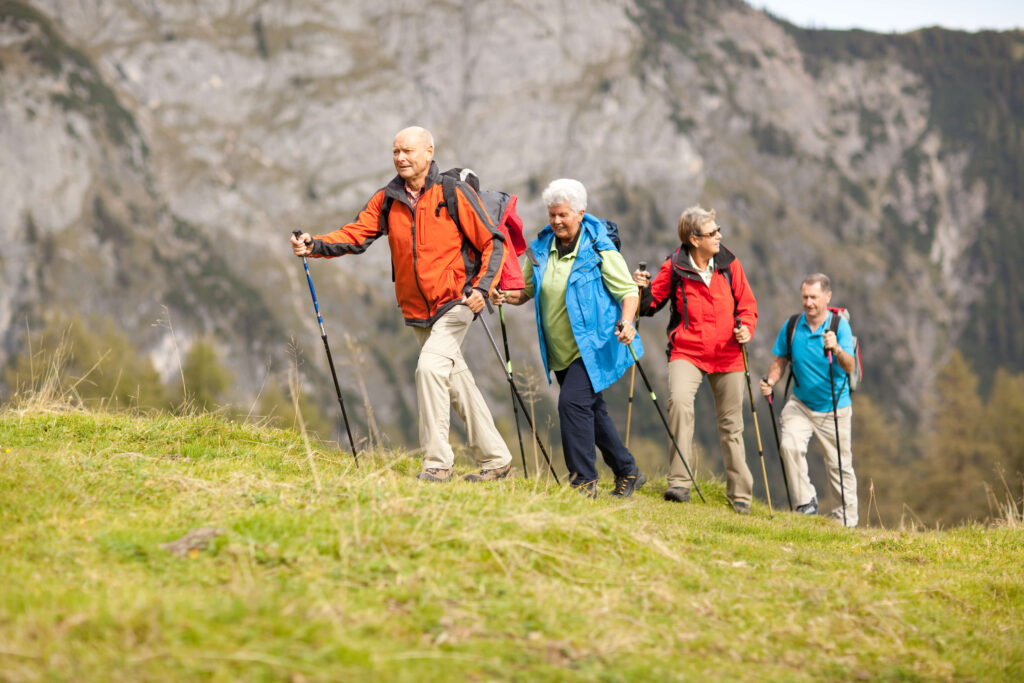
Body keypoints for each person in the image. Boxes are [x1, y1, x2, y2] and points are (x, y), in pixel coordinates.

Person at [291, 126, 513, 483]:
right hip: (416, 310)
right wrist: (315, 243)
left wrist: (482, 289)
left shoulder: (452, 192)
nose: (400, 158)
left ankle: (438, 465)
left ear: (429, 151)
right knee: (454, 378)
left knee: (429, 368)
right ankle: (496, 459)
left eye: (407, 151)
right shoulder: (388, 198)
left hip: (456, 301)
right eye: (395, 152)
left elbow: (493, 242)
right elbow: (356, 233)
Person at [493, 179, 646, 497]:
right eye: (552, 215)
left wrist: (628, 322)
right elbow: (525, 291)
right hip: (560, 349)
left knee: (571, 404)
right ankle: (628, 471)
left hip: (594, 346)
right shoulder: (539, 249)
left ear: (580, 213)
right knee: (592, 409)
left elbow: (628, 291)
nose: (556, 221)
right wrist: (503, 295)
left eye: (562, 215)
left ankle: (583, 484)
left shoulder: (599, 248)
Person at [633, 206, 758, 514]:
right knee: (678, 404)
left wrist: (746, 328)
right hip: (686, 352)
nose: (719, 236)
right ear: (694, 239)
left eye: (718, 230)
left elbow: (747, 305)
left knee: (732, 426)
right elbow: (650, 306)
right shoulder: (675, 267)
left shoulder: (729, 264)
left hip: (728, 354)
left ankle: (740, 495)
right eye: (712, 233)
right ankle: (679, 483)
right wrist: (640, 288)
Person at [760, 274, 858, 527]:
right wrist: (771, 381)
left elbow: (850, 366)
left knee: (839, 466)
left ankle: (846, 521)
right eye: (805, 297)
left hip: (835, 406)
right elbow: (780, 360)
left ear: (827, 297)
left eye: (814, 297)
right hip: (801, 403)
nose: (808, 302)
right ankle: (805, 503)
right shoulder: (793, 325)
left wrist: (836, 349)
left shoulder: (839, 327)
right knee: (789, 445)